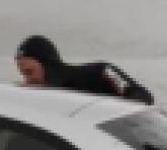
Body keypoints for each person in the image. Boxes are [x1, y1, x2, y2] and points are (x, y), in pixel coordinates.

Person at [14, 34, 154, 104]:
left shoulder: (100, 72)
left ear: (47, 64)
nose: (28, 80)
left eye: (29, 72)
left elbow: (143, 96)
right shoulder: (47, 100)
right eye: (23, 75)